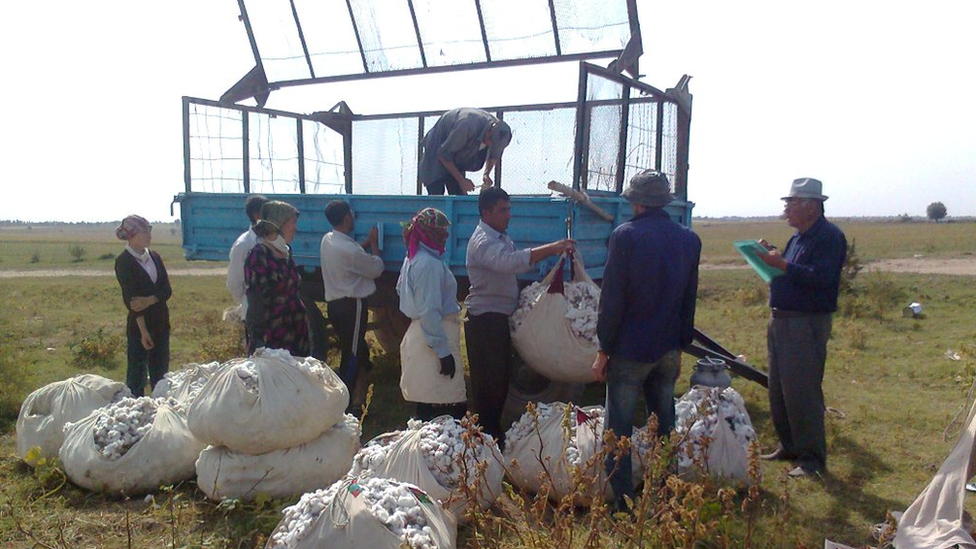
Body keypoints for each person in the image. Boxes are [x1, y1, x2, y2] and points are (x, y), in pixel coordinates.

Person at [591, 170, 701, 511]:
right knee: (664, 423)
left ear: (635, 202)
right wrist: (680, 346)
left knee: (619, 428)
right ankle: (667, 492)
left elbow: (613, 300)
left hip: (630, 350)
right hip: (667, 347)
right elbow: (689, 298)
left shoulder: (625, 237)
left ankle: (623, 504)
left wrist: (603, 349)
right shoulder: (688, 239)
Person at [465, 187, 575, 443]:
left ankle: (491, 439)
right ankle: (487, 441)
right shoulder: (484, 241)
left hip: (497, 318)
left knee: (500, 383)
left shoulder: (500, 236)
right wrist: (552, 248)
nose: (508, 215)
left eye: (509, 209)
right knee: (489, 388)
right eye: (502, 210)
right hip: (485, 321)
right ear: (486, 212)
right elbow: (509, 263)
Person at [756, 177, 847, 479]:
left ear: (811, 206)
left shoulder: (829, 237)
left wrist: (781, 265)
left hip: (805, 324)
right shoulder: (797, 238)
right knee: (780, 389)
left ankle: (812, 460)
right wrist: (775, 259)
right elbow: (792, 272)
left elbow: (819, 278)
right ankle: (789, 447)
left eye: (791, 203)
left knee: (803, 392)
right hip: (781, 320)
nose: (786, 210)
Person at [396, 208, 466, 421]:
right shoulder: (428, 264)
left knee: (428, 403)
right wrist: (443, 352)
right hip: (434, 338)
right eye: (440, 232)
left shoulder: (413, 257)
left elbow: (401, 290)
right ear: (428, 233)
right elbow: (429, 310)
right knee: (446, 406)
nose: (445, 236)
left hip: (423, 334)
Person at [321, 200, 383, 411]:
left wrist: (364, 243)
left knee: (353, 348)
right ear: (347, 217)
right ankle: (344, 401)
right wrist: (374, 244)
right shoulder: (349, 250)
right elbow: (375, 269)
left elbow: (352, 257)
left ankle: (356, 398)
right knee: (353, 353)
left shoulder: (328, 240)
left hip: (335, 304)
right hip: (352, 306)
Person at [114, 215, 172, 397]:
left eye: (149, 231)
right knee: (136, 378)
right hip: (140, 328)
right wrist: (143, 332)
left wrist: (150, 300)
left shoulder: (154, 257)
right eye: (145, 231)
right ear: (132, 235)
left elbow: (167, 290)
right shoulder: (123, 262)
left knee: (161, 376)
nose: (149, 235)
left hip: (161, 323)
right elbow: (132, 302)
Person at [244, 200, 309, 357]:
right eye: (292, 222)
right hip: (273, 339)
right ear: (278, 225)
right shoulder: (259, 255)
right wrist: (259, 342)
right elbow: (256, 301)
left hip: (296, 336)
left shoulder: (286, 253)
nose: (295, 228)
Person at [418, 108, 512, 195]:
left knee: (458, 193)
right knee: (436, 192)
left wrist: (486, 174)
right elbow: (443, 154)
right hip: (437, 148)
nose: (490, 146)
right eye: (490, 141)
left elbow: (494, 156)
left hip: (455, 152)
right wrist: (461, 180)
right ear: (488, 132)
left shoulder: (500, 136)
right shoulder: (467, 125)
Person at [226, 194, 268, 344]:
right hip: (254, 314)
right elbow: (234, 283)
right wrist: (248, 301)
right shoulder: (243, 245)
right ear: (257, 215)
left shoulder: (271, 240)